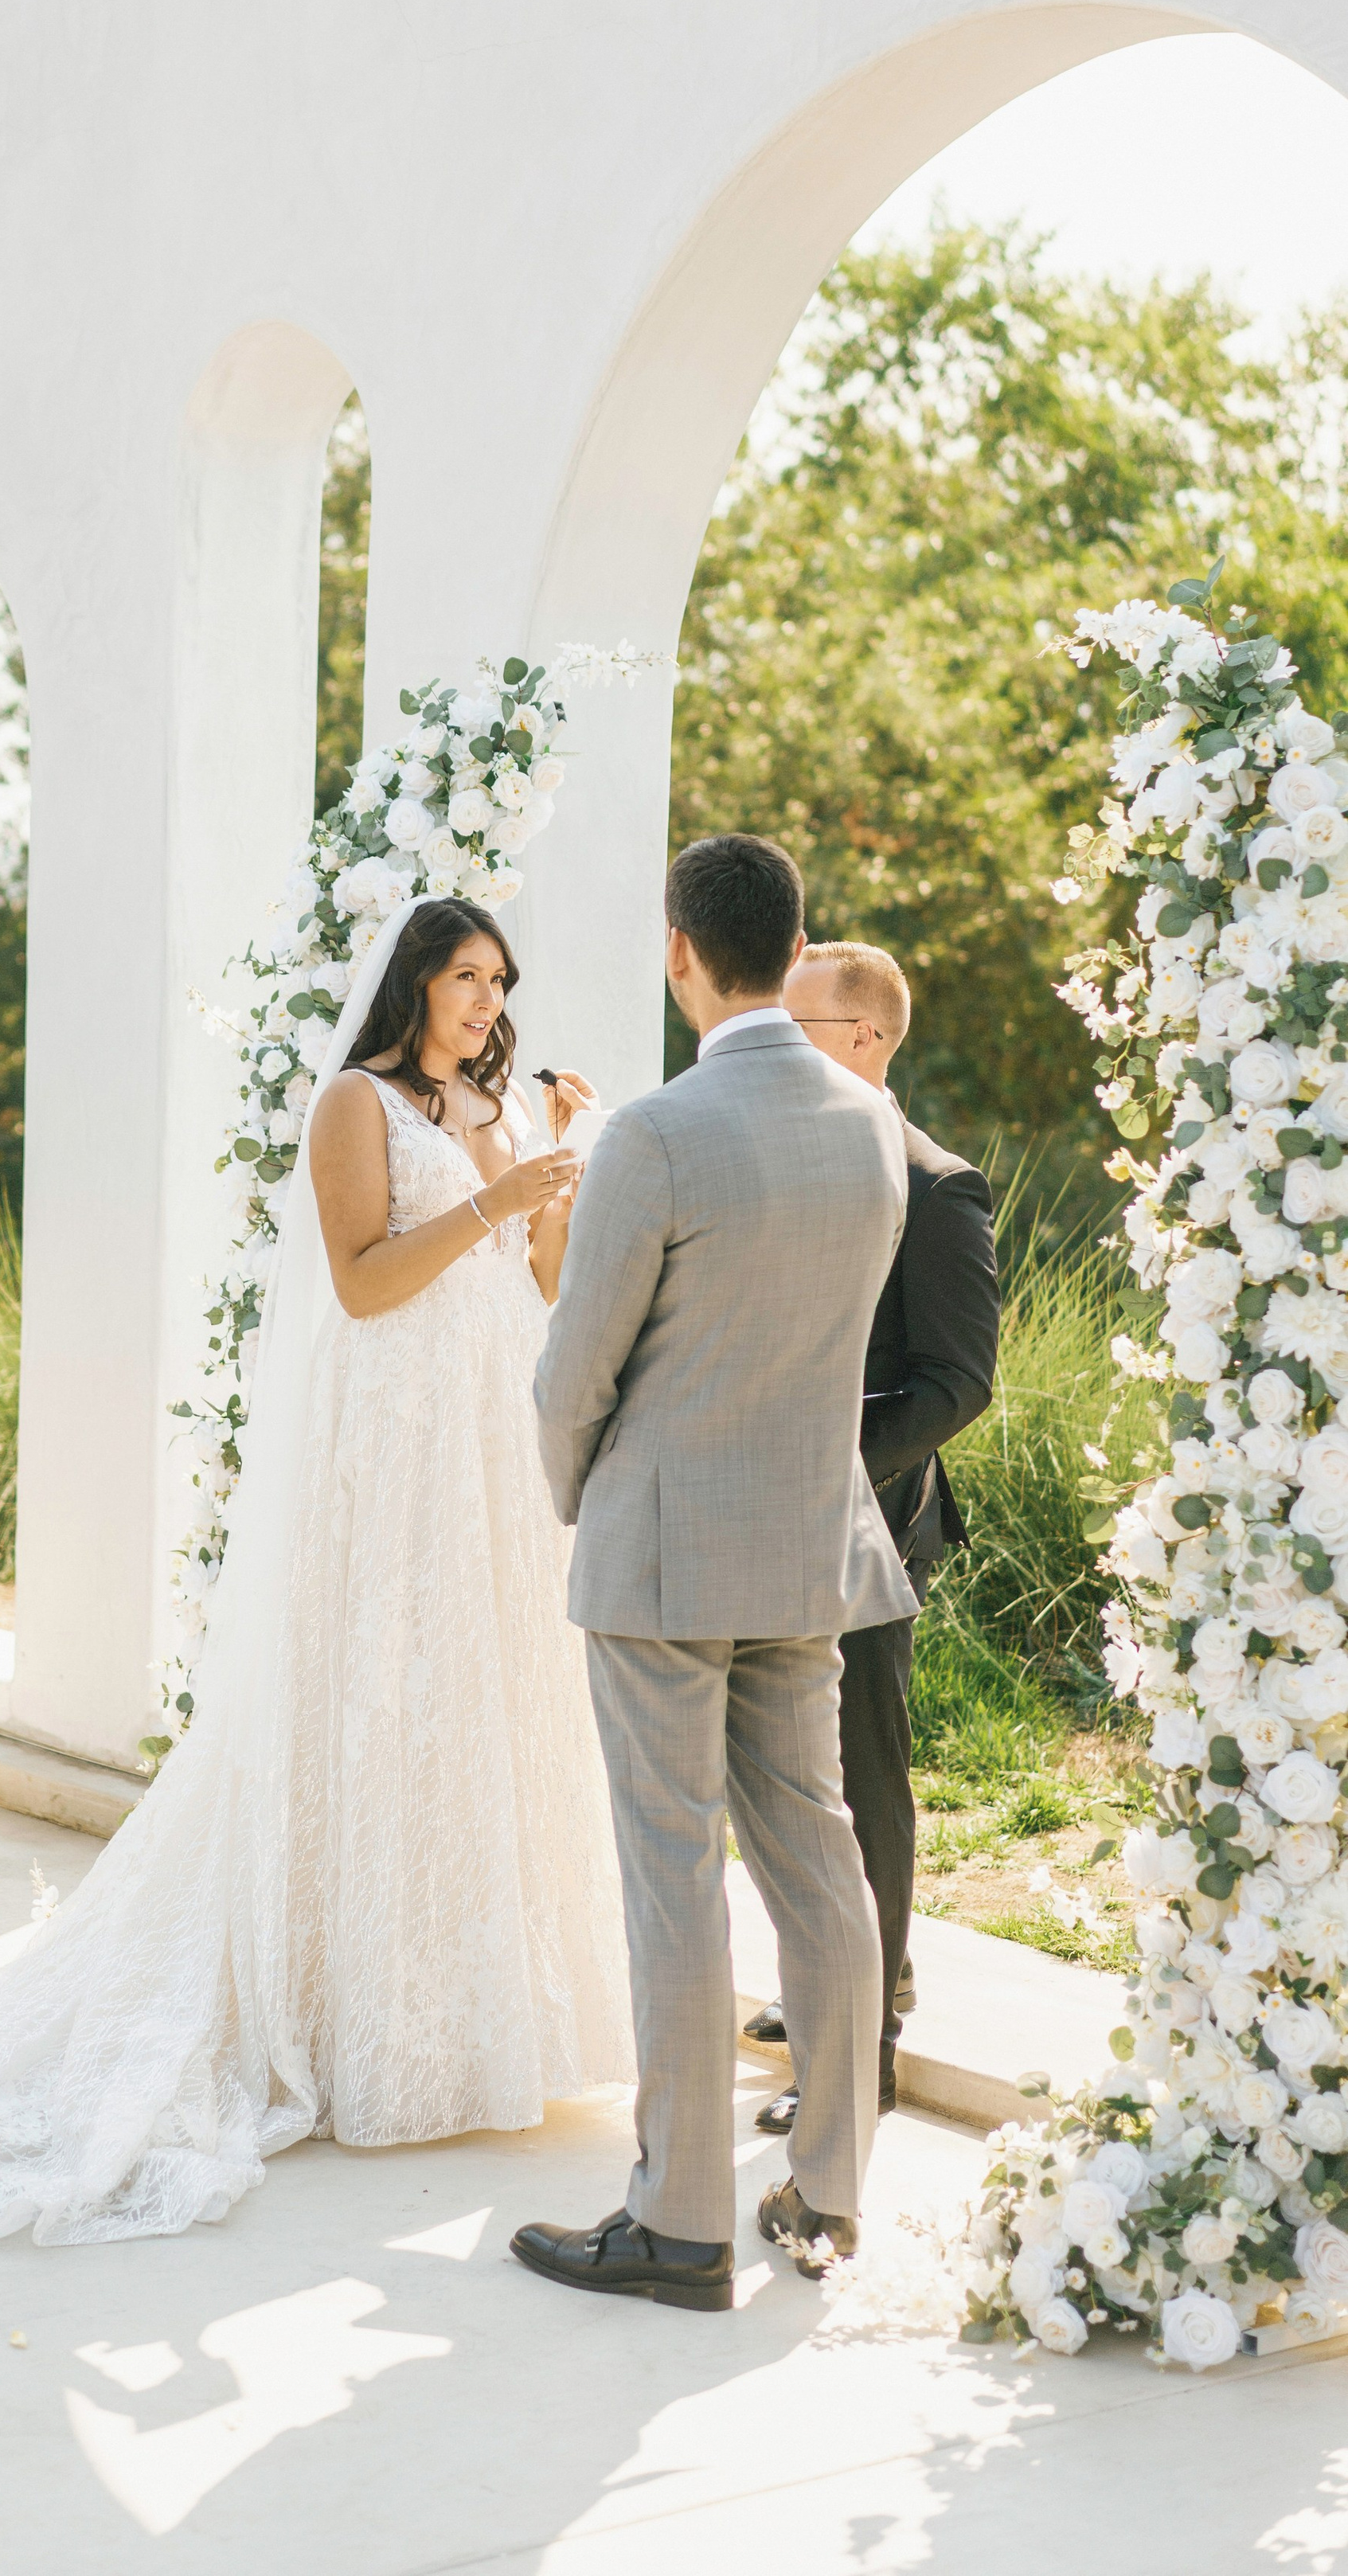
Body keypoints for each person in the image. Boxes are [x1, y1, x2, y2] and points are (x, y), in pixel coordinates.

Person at [0, 893, 634, 2243]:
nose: (488, 1000)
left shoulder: (498, 1113)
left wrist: (559, 1161)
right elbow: (367, 1282)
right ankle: (343, 2011)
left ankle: (470, 2020)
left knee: (476, 1714)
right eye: (463, 977)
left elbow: (537, 1276)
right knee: (380, 1697)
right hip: (395, 1443)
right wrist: (498, 1194)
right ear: (412, 988)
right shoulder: (356, 1107)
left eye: (501, 977)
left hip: (487, 1449)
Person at [514, 835, 910, 2310]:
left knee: (674, 1875)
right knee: (821, 1861)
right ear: (792, 944)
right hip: (807, 1549)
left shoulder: (658, 1134)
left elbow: (576, 1370)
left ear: (682, 950)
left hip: (665, 1557)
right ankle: (830, 2187)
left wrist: (578, 1497)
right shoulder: (873, 1121)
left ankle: (680, 2222)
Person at [743, 941, 999, 2136]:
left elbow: (957, 1384)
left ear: (862, 1038)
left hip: (871, 1529)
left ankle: (870, 2048)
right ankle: (828, 1990)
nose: (772, 1043)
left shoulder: (937, 1185)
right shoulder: (770, 1159)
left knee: (860, 1781)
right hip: (754, 1509)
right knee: (784, 1776)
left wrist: (820, 1455)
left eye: (795, 1025)